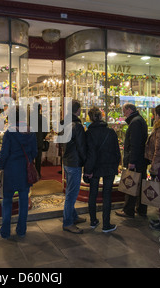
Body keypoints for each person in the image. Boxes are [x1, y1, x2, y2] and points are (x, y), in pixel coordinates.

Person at [0, 109, 37, 239]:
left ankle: (5, 230)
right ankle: (21, 229)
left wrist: (1, 167)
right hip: (25, 170)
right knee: (24, 199)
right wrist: (28, 160)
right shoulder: (30, 132)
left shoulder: (10, 133)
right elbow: (35, 152)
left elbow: (4, 153)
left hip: (10, 170)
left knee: (7, 200)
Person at [83, 106, 121, 233]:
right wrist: (117, 165)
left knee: (92, 194)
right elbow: (117, 151)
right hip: (109, 167)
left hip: (95, 167)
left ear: (90, 118)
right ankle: (106, 224)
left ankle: (93, 221)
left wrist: (87, 169)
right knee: (107, 195)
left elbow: (90, 154)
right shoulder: (111, 132)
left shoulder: (89, 133)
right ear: (101, 116)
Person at [116, 103, 148, 218]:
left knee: (130, 184)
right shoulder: (139, 120)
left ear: (129, 110)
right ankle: (141, 209)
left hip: (136, 159)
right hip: (141, 159)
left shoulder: (135, 122)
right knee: (140, 184)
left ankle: (128, 210)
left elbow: (135, 143)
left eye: (124, 111)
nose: (124, 114)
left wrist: (132, 161)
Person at [62, 99, 87, 234]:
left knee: (70, 191)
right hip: (74, 162)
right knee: (72, 194)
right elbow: (81, 146)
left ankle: (74, 216)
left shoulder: (65, 123)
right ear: (78, 110)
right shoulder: (76, 125)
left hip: (67, 161)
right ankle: (68, 222)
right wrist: (86, 160)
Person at [31, 103, 48, 178]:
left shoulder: (30, 118)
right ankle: (38, 173)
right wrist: (43, 136)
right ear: (40, 108)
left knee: (30, 159)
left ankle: (31, 174)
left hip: (31, 140)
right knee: (38, 159)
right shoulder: (43, 118)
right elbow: (45, 130)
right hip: (39, 141)